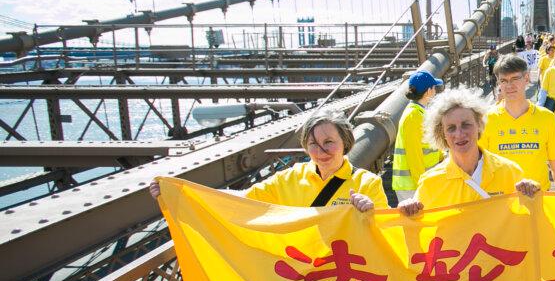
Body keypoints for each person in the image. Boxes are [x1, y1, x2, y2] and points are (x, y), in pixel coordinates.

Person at [148, 110, 386, 212]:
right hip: (301, 279)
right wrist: (182, 192)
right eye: (312, 144)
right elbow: (245, 199)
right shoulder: (291, 178)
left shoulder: (367, 184)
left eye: (329, 142)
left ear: (345, 142)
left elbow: (386, 233)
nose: (320, 151)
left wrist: (370, 211)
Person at [399, 88, 541, 215]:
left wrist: (533, 198)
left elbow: (529, 223)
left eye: (466, 125)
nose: (459, 134)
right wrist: (407, 212)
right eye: (451, 128)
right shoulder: (430, 183)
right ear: (442, 133)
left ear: (479, 125)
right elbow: (419, 232)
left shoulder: (510, 172)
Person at [481, 55, 555, 193]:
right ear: (499, 83)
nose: (509, 85)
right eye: (504, 81)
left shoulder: (546, 117)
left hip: (537, 199)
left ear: (527, 78)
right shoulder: (486, 119)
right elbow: (477, 166)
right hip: (502, 203)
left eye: (515, 79)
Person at [392, 71, 444, 203]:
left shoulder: (419, 112)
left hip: (419, 182)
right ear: (428, 91)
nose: (435, 91)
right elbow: (414, 155)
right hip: (412, 186)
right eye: (434, 88)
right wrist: (422, 184)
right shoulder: (413, 116)